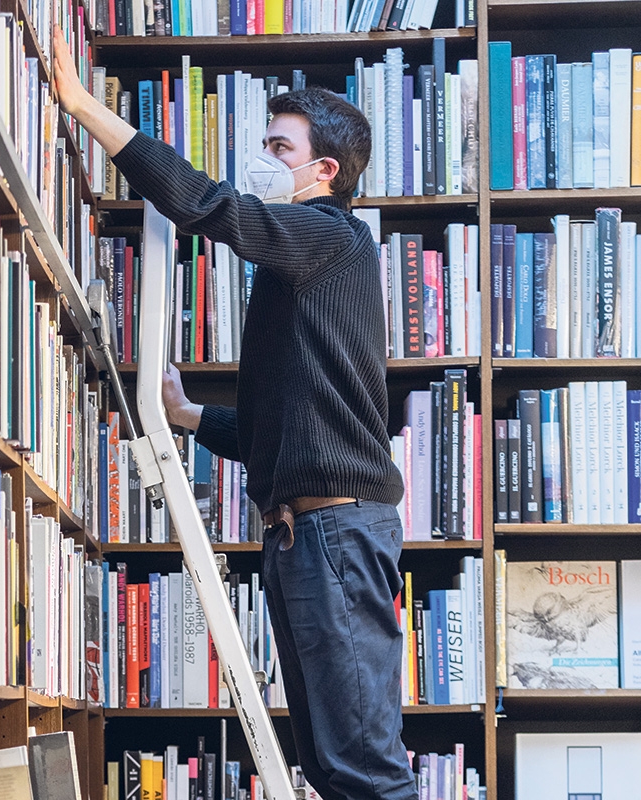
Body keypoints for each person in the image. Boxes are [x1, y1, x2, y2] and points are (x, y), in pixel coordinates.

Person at [50, 28, 415, 800]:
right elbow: (278, 433)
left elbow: (210, 207)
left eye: (279, 149)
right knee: (328, 762)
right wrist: (188, 418)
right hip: (307, 530)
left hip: (336, 533)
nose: (263, 161)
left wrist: (87, 109)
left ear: (324, 170)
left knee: (364, 769)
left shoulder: (329, 235)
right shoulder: (304, 269)